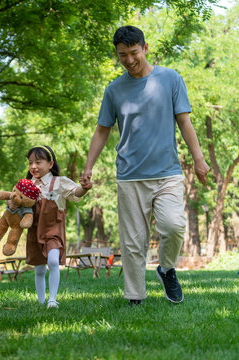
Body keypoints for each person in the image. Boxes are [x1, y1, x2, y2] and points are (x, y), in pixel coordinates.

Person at [80, 26, 210, 305]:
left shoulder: (171, 79)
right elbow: (102, 130)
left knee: (173, 226)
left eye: (133, 53)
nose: (128, 60)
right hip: (129, 175)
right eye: (122, 55)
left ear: (145, 48)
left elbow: (184, 121)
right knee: (132, 242)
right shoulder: (114, 90)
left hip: (167, 172)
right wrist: (88, 166)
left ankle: (166, 268)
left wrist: (199, 159)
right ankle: (135, 297)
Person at [20, 145, 90, 309]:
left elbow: (75, 193)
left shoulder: (59, 182)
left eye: (38, 162)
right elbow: (17, 200)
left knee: (52, 261)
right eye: (30, 163)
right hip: (34, 230)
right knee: (38, 268)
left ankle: (52, 299)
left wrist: (84, 188)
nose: (33, 166)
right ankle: (41, 301)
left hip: (53, 229)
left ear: (50, 164)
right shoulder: (27, 184)